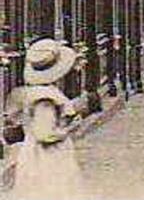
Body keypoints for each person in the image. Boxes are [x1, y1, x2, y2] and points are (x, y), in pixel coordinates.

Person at [4, 38, 86, 199]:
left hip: (34, 152)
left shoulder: (33, 92)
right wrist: (69, 128)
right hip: (47, 157)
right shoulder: (46, 99)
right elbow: (45, 134)